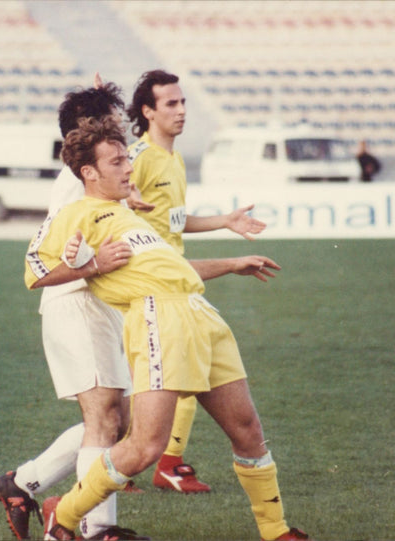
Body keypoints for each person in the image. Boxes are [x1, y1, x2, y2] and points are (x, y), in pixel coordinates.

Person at [25, 115, 309, 541]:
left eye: (127, 159)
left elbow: (173, 268)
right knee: (145, 447)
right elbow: (35, 270)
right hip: (159, 319)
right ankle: (61, 514)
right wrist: (92, 265)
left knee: (248, 431)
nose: (128, 168)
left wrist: (232, 264)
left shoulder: (129, 214)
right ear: (89, 172)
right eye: (118, 161)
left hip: (200, 313)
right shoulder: (76, 214)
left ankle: (276, 531)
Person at [0, 77, 148, 541]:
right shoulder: (72, 186)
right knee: (104, 420)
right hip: (75, 304)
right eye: (109, 122)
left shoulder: (102, 175)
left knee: (117, 423)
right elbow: (39, 264)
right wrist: (94, 265)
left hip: (98, 304)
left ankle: (21, 483)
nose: (120, 132)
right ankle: (96, 527)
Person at [125, 69, 267, 493]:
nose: (182, 110)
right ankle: (126, 464)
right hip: (149, 289)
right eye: (171, 103)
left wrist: (225, 221)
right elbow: (110, 203)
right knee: (146, 389)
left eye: (183, 101)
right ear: (148, 111)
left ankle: (158, 461)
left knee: (188, 375)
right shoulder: (140, 157)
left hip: (178, 285)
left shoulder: (174, 159)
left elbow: (173, 220)